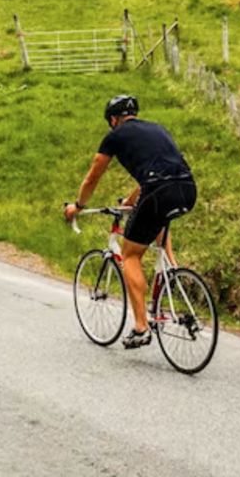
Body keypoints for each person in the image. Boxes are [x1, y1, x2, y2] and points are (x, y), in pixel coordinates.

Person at [64, 95, 196, 350]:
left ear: (113, 120)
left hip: (158, 191)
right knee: (159, 222)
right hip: (187, 188)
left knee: (130, 255)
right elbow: (154, 174)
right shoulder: (157, 129)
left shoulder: (116, 136)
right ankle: (172, 272)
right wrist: (130, 200)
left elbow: (93, 176)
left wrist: (77, 206)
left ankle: (140, 327)